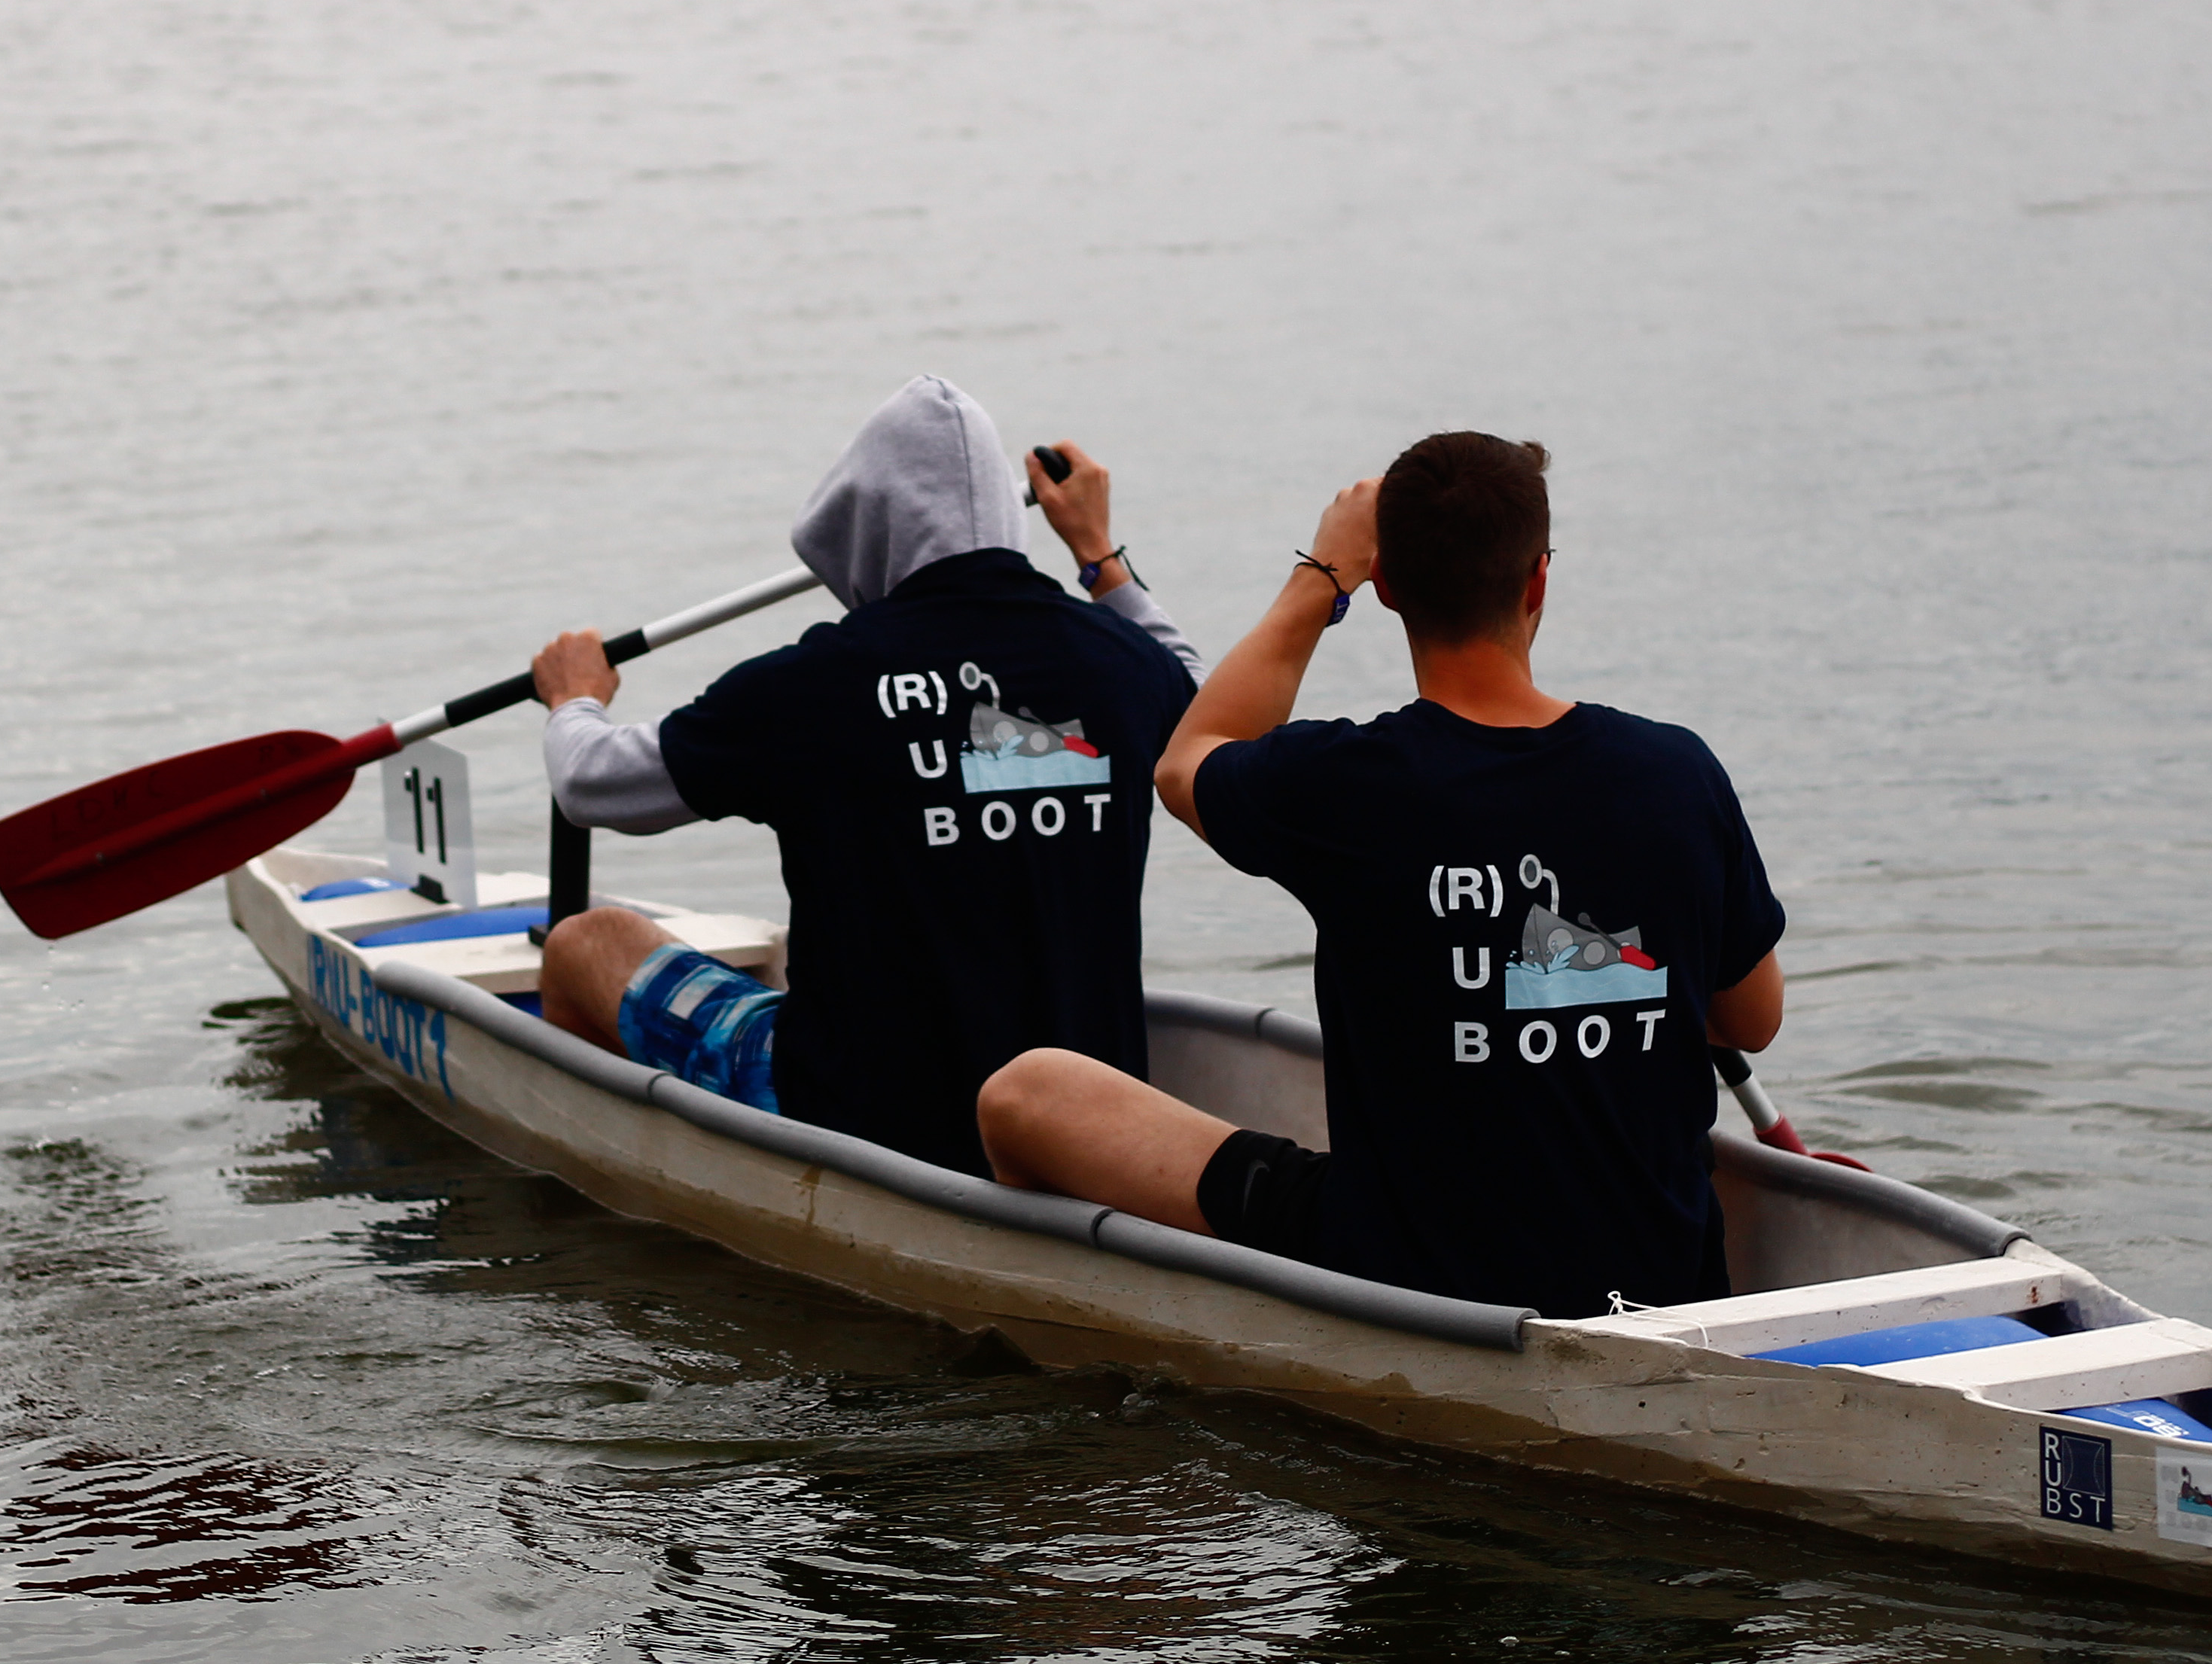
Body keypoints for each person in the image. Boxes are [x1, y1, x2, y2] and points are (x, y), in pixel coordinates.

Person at [977, 431, 1786, 1317]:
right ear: (1538, 581)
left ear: (1389, 587)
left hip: (1404, 1276)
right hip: (1665, 1281)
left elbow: (1186, 763)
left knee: (1028, 1093)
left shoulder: (1345, 783)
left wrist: (1322, 575)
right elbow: (1751, 1016)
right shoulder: (1677, 772)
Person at [529, 376, 1203, 1176]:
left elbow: (590, 784)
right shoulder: (1128, 668)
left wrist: (574, 700)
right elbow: (1202, 694)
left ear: (863, 525)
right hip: (1084, 1122)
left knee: (586, 943)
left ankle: (606, 1189)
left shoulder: (812, 686)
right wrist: (1099, 556)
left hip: (854, 1117)